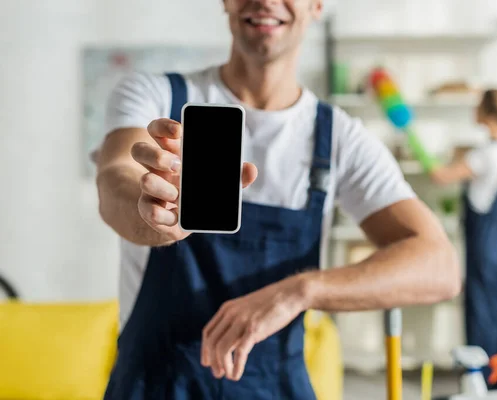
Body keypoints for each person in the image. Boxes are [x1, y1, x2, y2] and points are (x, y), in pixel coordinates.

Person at [94, 0, 461, 398]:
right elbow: (116, 180)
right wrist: (152, 213)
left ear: (316, 5)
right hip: (154, 385)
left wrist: (300, 291)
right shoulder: (156, 97)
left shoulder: (339, 138)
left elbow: (439, 267)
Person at [428, 89, 497, 389]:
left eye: (478, 105)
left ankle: (480, 380)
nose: (473, 109)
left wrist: (417, 146)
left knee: (481, 309)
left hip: (484, 242)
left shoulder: (484, 155)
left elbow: (440, 176)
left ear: (489, 114)